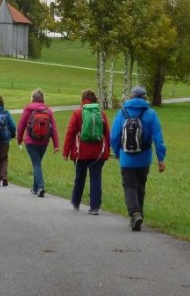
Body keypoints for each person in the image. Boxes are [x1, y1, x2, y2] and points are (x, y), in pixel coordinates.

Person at [110, 86, 166, 231]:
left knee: (129, 186)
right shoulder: (151, 114)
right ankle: (139, 215)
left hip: (126, 158)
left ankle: (135, 214)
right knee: (140, 186)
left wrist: (117, 152)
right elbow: (158, 138)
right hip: (144, 158)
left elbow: (114, 136)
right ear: (144, 98)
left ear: (131, 97)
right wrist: (161, 159)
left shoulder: (122, 113)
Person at [63, 89, 110, 214]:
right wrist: (108, 150)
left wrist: (65, 152)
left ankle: (76, 201)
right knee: (96, 178)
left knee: (80, 177)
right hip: (98, 153)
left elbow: (70, 134)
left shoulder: (78, 113)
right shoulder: (101, 113)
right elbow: (107, 134)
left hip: (80, 152)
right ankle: (94, 207)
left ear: (82, 99)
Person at [16, 88, 59, 198]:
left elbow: (21, 125)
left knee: (36, 163)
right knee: (38, 163)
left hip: (30, 141)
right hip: (44, 141)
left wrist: (19, 139)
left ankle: (40, 187)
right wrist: (56, 145)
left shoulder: (28, 109)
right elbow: (53, 128)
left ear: (33, 98)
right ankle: (35, 188)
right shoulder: (48, 111)